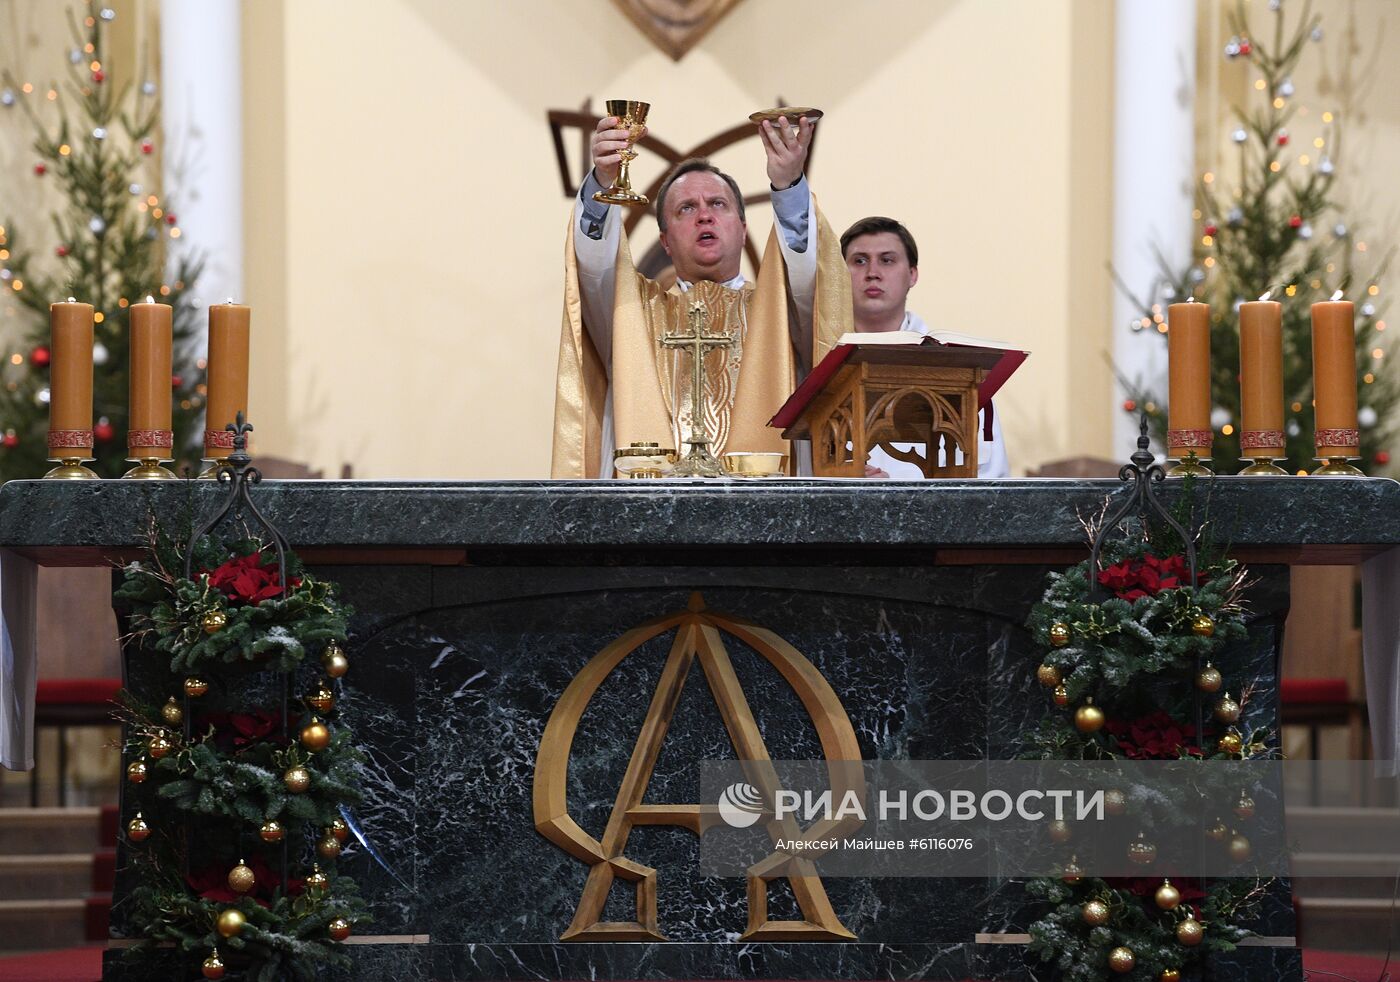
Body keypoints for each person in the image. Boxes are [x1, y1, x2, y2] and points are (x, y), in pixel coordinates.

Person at [552, 113, 850, 478]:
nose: (704, 216)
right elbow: (594, 268)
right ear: (665, 240)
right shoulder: (633, 315)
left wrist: (788, 186)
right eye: (686, 208)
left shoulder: (777, 313)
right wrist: (604, 183)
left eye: (718, 204)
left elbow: (810, 281)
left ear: (743, 230)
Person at [841, 216, 1010, 478]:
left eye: (887, 260)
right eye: (859, 260)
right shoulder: (818, 362)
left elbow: (992, 484)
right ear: (838, 276)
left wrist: (897, 498)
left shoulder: (961, 371)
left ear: (912, 275)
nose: (872, 272)